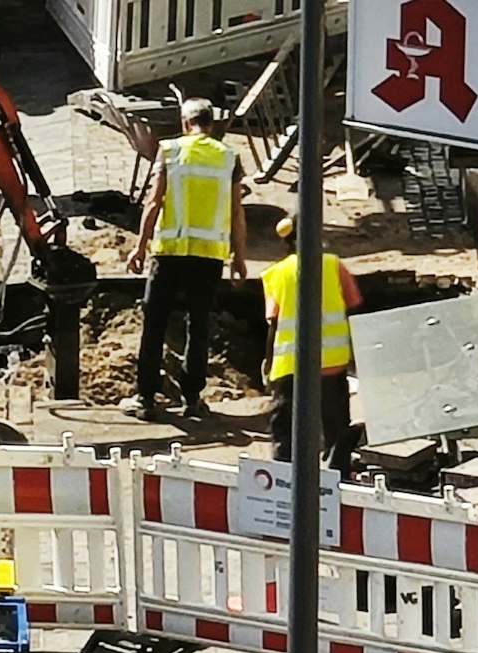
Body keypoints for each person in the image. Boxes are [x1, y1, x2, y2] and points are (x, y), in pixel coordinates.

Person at [123, 97, 248, 421]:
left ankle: (145, 397)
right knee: (199, 326)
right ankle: (192, 399)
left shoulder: (170, 151)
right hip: (208, 257)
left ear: (185, 122)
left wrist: (140, 246)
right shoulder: (229, 158)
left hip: (169, 253)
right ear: (211, 124)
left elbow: (153, 203)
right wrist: (239, 257)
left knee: (154, 324)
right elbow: (237, 211)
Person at [260, 215, 363, 470]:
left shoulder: (277, 273)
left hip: (289, 368)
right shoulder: (334, 266)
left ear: (287, 243)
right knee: (336, 429)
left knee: (285, 434)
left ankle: (284, 479)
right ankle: (339, 478)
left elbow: (273, 324)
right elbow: (355, 309)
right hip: (331, 364)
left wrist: (269, 364)